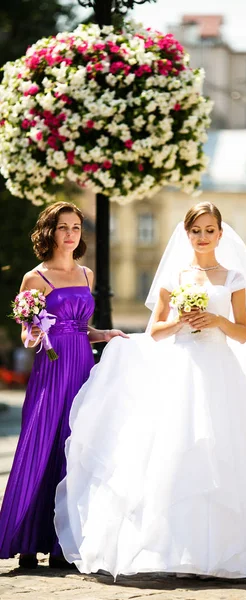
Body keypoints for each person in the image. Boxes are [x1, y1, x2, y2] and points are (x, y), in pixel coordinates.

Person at [54, 201, 246, 579]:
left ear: (220, 234)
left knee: (221, 450)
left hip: (221, 370)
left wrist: (216, 320)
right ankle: (176, 550)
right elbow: (155, 331)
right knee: (174, 451)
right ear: (186, 233)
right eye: (196, 230)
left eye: (210, 230)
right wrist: (179, 321)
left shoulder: (234, 278)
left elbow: (244, 333)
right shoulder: (174, 277)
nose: (203, 237)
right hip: (180, 370)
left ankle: (226, 551)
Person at [0, 201, 127, 569]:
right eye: (63, 227)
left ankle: (63, 542)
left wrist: (104, 333)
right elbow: (27, 335)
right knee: (40, 444)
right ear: (50, 232)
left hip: (84, 368)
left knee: (76, 447)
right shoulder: (34, 278)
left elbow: (81, 328)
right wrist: (35, 333)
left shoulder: (87, 275)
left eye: (75, 227)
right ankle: (27, 539)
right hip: (51, 371)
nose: (70, 234)